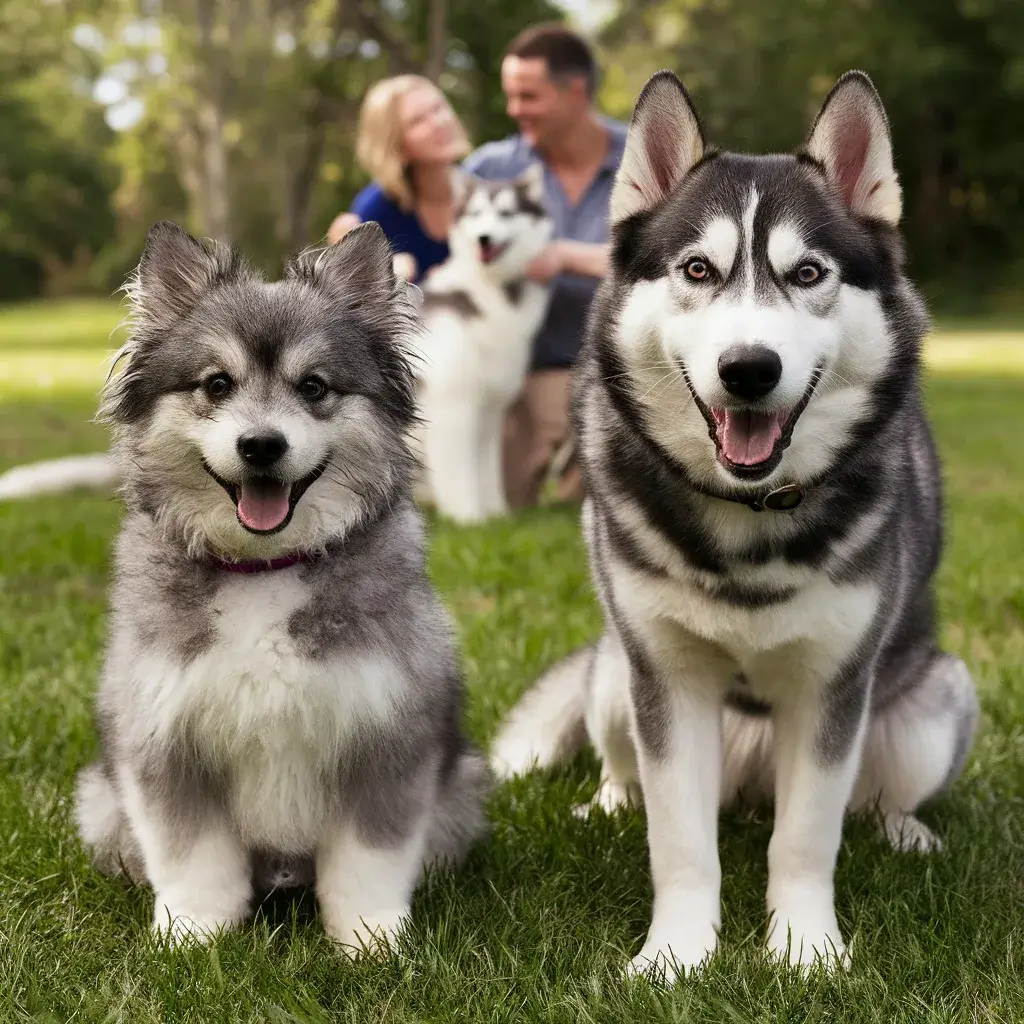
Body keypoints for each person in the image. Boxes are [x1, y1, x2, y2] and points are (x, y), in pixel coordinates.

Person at [463, 23, 626, 509]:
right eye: (510, 97)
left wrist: (565, 255)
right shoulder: (492, 168)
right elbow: (430, 218)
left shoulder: (643, 156)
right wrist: (361, 218)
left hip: (618, 367)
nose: (515, 111)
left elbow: (675, 254)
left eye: (528, 97)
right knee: (507, 506)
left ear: (574, 92)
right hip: (525, 373)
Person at [326, 75, 471, 283]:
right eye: (418, 121)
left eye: (438, 108)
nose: (439, 122)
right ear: (396, 146)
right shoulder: (374, 211)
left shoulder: (485, 188)